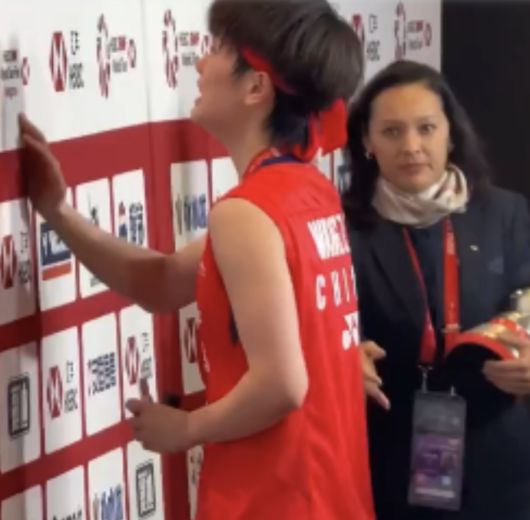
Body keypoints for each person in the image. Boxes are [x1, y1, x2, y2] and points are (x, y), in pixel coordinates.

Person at [19, 1, 374, 518]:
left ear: (256, 87)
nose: (200, 64)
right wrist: (58, 212)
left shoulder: (248, 211)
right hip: (322, 495)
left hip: (275, 500)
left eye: (217, 50)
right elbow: (161, 282)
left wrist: (186, 428)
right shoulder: (308, 190)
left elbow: (281, 385)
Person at [344, 59, 530, 520]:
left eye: (426, 128)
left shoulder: (504, 213)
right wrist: (340, 356)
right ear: (366, 141)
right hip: (390, 453)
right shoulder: (344, 226)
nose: (411, 146)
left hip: (499, 457)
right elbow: (323, 322)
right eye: (392, 132)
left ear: (450, 133)